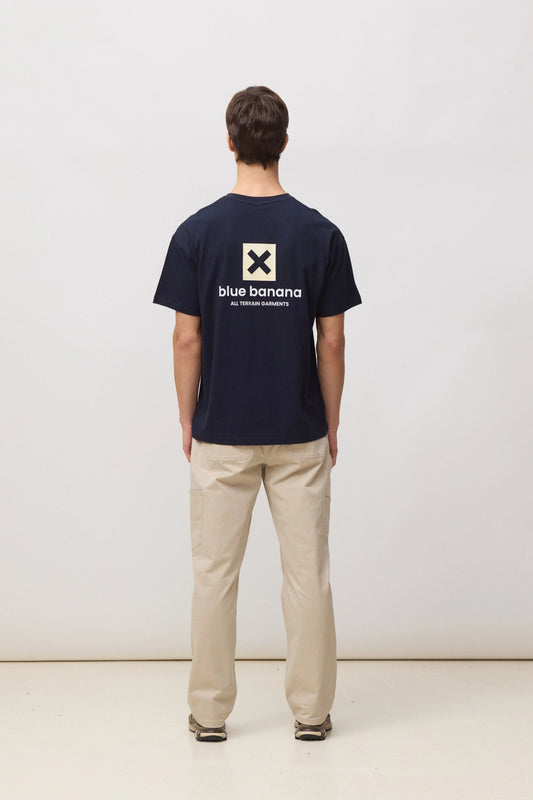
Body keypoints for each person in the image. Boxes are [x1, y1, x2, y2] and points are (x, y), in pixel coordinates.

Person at [152, 85, 362, 742]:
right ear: (284, 143)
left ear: (230, 142)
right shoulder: (319, 234)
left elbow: (186, 339)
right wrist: (331, 421)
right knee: (308, 576)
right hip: (298, 431)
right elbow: (332, 341)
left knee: (214, 576)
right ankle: (312, 713)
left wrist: (186, 417)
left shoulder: (197, 233)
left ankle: (210, 714)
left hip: (222, 431)